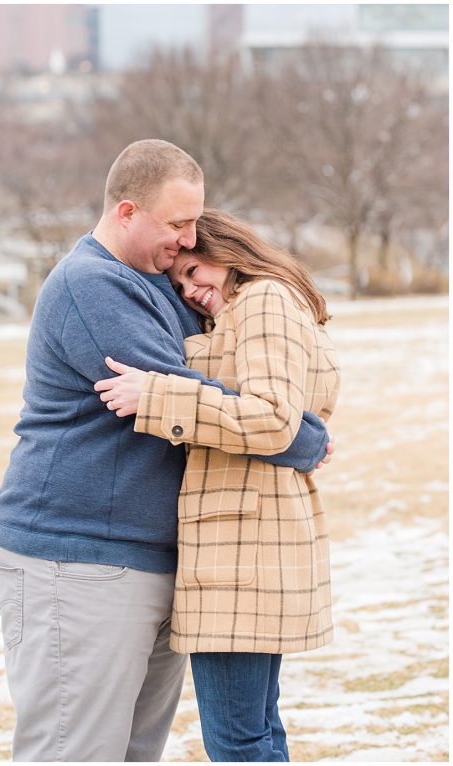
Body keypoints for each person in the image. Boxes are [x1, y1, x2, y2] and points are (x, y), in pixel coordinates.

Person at [0, 139, 332, 762]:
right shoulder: (91, 286)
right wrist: (302, 436)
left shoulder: (160, 286)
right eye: (176, 224)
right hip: (80, 556)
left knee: (135, 752)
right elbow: (179, 391)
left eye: (195, 222)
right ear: (126, 212)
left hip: (150, 560)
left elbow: (222, 378)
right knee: (73, 750)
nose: (189, 238)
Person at [95, 209, 340, 761]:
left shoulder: (263, 301)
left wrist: (157, 397)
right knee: (255, 731)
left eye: (195, 268)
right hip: (250, 545)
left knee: (237, 740)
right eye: (179, 283)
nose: (191, 289)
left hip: (241, 553)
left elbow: (273, 418)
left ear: (226, 250)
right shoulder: (249, 310)